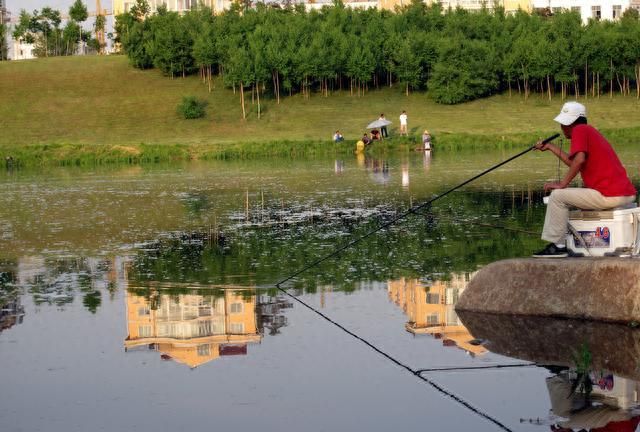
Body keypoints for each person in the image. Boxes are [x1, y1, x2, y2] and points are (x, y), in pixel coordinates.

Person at [532, 101, 637, 258]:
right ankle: (562, 243)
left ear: (573, 122)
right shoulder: (587, 131)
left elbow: (579, 160)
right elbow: (574, 162)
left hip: (610, 195)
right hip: (624, 194)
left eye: (564, 123)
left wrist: (562, 184)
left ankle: (559, 246)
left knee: (557, 197)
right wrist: (550, 147)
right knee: (562, 196)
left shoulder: (580, 130)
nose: (561, 127)